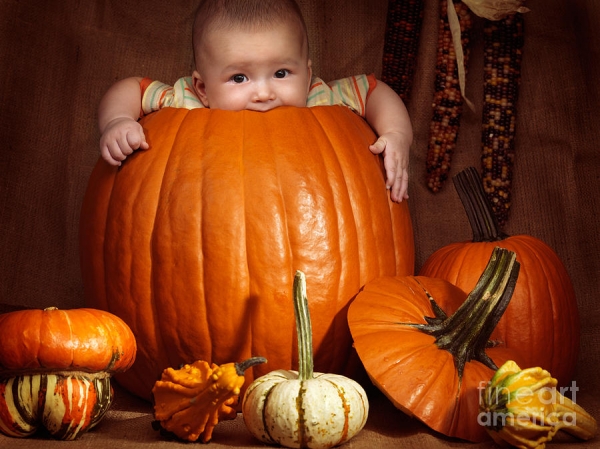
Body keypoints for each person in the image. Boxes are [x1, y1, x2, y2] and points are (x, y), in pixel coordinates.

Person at [98, 0, 413, 202]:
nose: (264, 93)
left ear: (307, 74)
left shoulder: (321, 99)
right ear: (203, 88)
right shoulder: (187, 103)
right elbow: (134, 89)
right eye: (239, 78)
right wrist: (117, 121)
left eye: (281, 72)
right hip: (210, 227)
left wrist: (397, 135)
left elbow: (373, 91)